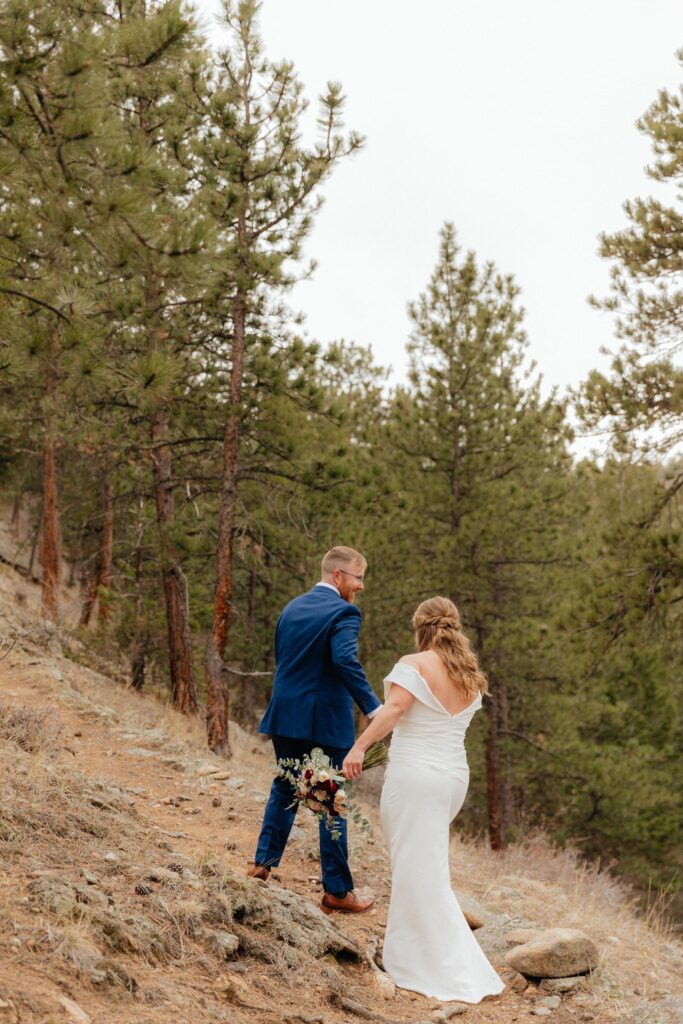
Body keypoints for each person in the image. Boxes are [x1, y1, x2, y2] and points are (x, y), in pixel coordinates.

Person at [342, 596, 505, 1003]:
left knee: (416, 866)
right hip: (452, 778)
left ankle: (424, 961)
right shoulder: (467, 672)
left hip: (417, 776)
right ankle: (424, 948)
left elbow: (395, 709)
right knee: (425, 863)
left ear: (420, 627)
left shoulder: (414, 664)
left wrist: (359, 746)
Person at [248, 545, 382, 915]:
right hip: (324, 719)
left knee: (286, 785)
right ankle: (337, 891)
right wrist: (374, 707)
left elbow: (286, 660)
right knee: (331, 800)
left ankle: (263, 863)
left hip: (285, 714)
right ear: (337, 576)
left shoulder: (290, 608)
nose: (361, 587)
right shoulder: (345, 612)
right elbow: (344, 661)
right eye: (358, 578)